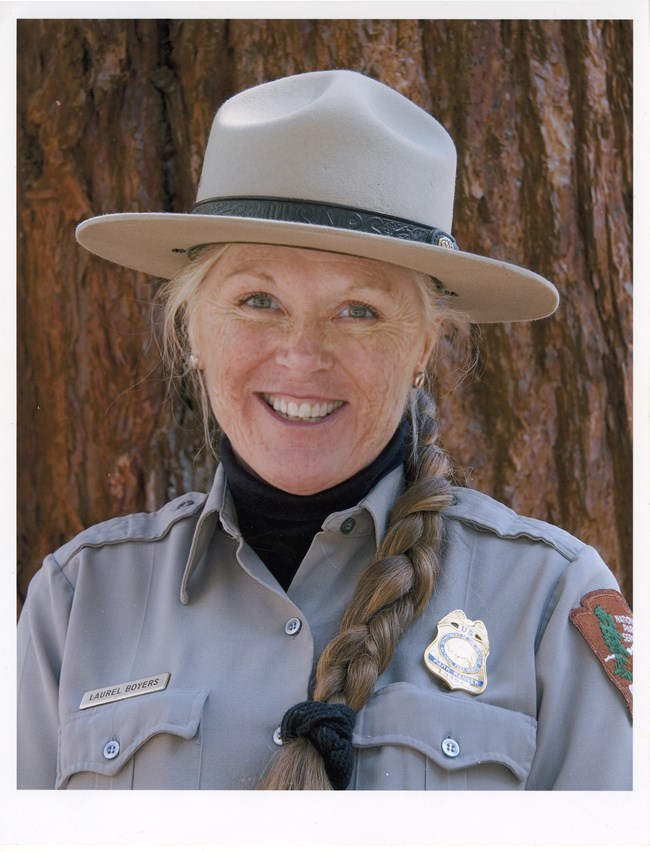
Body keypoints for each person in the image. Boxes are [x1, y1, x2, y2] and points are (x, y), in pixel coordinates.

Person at [17, 70, 632, 791]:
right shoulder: (77, 602)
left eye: (360, 311)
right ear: (194, 331)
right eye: (258, 300)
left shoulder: (550, 603)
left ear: (423, 347)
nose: (302, 354)